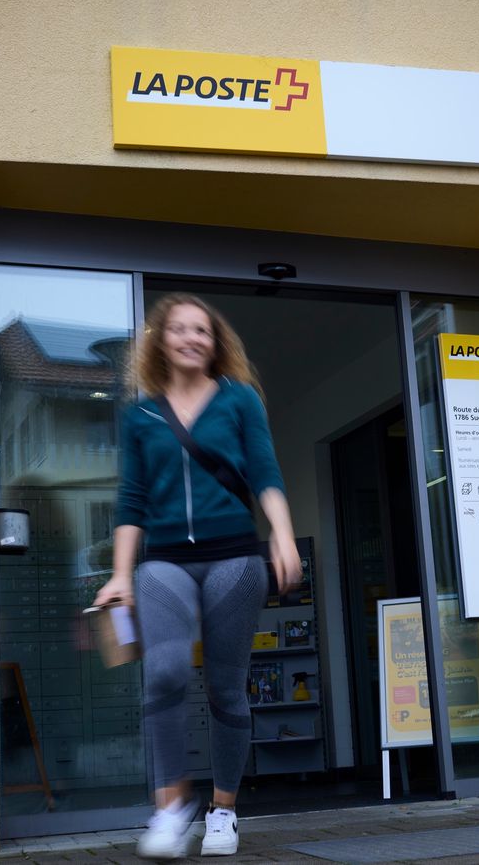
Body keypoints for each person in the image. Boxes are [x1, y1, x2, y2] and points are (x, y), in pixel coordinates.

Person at [93, 293, 302, 860]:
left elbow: (264, 470)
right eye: (179, 329)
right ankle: (169, 809)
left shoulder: (239, 401)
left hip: (234, 556)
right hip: (164, 561)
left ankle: (224, 812)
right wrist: (119, 575)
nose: (191, 338)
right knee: (162, 673)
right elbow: (131, 500)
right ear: (161, 340)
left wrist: (281, 534)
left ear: (215, 342)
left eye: (202, 330)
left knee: (225, 686)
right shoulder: (140, 417)